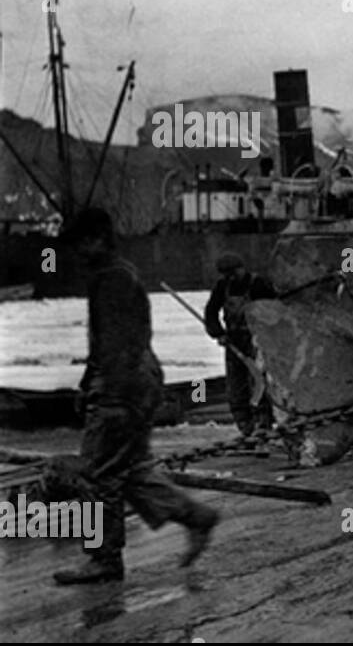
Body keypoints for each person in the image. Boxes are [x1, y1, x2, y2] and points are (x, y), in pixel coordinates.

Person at [53, 208, 219, 585]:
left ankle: (104, 559)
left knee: (97, 474)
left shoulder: (111, 280)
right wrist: (87, 383)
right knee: (128, 470)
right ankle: (196, 517)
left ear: (96, 238)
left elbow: (116, 347)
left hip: (123, 385)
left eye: (80, 244)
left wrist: (106, 395)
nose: (76, 253)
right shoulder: (118, 274)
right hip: (138, 381)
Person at [204, 252, 276, 435]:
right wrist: (217, 333)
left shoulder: (259, 284)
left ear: (241, 268)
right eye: (226, 274)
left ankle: (263, 423)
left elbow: (274, 310)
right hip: (233, 341)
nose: (231, 278)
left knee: (259, 382)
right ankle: (245, 426)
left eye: (233, 273)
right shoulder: (222, 287)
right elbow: (211, 311)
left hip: (257, 341)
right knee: (236, 385)